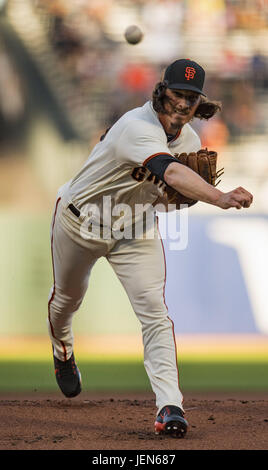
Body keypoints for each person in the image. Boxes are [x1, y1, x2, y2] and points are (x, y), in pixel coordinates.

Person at [48, 59, 253, 438]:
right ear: (161, 91)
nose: (182, 104)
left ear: (198, 102)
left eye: (191, 98)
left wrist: (184, 200)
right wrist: (218, 197)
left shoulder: (189, 141)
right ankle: (63, 350)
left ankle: (169, 406)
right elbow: (171, 172)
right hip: (80, 221)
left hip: (135, 229)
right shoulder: (136, 125)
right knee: (67, 300)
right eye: (177, 93)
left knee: (156, 315)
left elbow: (165, 195)